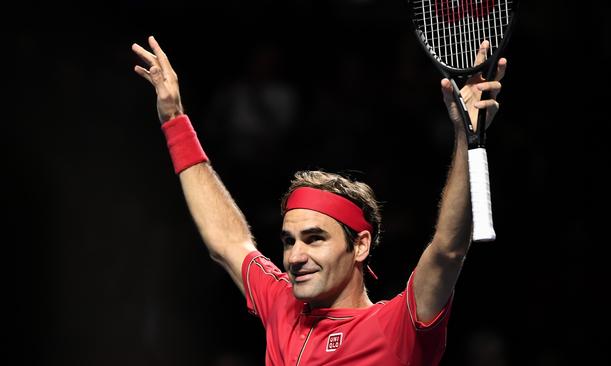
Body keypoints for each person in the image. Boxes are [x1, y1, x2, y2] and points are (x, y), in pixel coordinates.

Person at [131, 35, 506, 365]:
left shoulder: (397, 328)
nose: (295, 257)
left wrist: (465, 137)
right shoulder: (282, 305)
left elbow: (447, 251)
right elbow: (228, 241)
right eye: (289, 240)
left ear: (360, 245)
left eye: (315, 238)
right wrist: (175, 120)